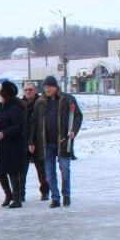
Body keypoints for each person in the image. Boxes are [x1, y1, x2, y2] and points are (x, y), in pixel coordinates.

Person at [28, 74, 83, 208]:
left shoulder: (67, 99)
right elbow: (33, 123)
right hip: (46, 144)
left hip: (63, 141)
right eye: (45, 87)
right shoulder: (40, 103)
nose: (47, 90)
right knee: (49, 172)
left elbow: (77, 116)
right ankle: (55, 197)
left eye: (50, 87)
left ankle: (66, 195)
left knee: (65, 169)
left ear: (55, 87)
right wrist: (31, 141)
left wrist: (74, 131)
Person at [0, 81, 27, 209]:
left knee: (12, 171)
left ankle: (17, 198)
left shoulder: (15, 107)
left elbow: (19, 125)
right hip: (0, 146)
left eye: (0, 89)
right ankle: (8, 194)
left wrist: (4, 133)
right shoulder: (2, 107)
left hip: (12, 145)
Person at [20, 81, 49, 202]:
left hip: (39, 141)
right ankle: (20, 194)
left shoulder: (41, 102)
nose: (28, 92)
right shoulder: (20, 104)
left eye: (30, 89)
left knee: (42, 170)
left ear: (35, 90)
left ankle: (45, 191)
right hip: (23, 141)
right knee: (21, 171)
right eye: (26, 90)